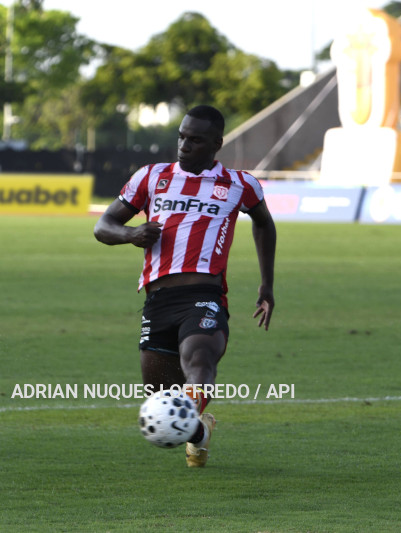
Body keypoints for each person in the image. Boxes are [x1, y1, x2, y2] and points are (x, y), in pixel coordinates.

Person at [93, 105, 275, 467]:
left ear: (216, 143)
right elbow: (103, 226)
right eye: (181, 137)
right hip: (158, 300)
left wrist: (266, 285)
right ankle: (200, 434)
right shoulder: (151, 177)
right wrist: (131, 234)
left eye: (195, 139)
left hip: (204, 296)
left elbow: (263, 223)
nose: (184, 145)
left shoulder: (239, 184)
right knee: (161, 405)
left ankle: (195, 422)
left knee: (200, 359)